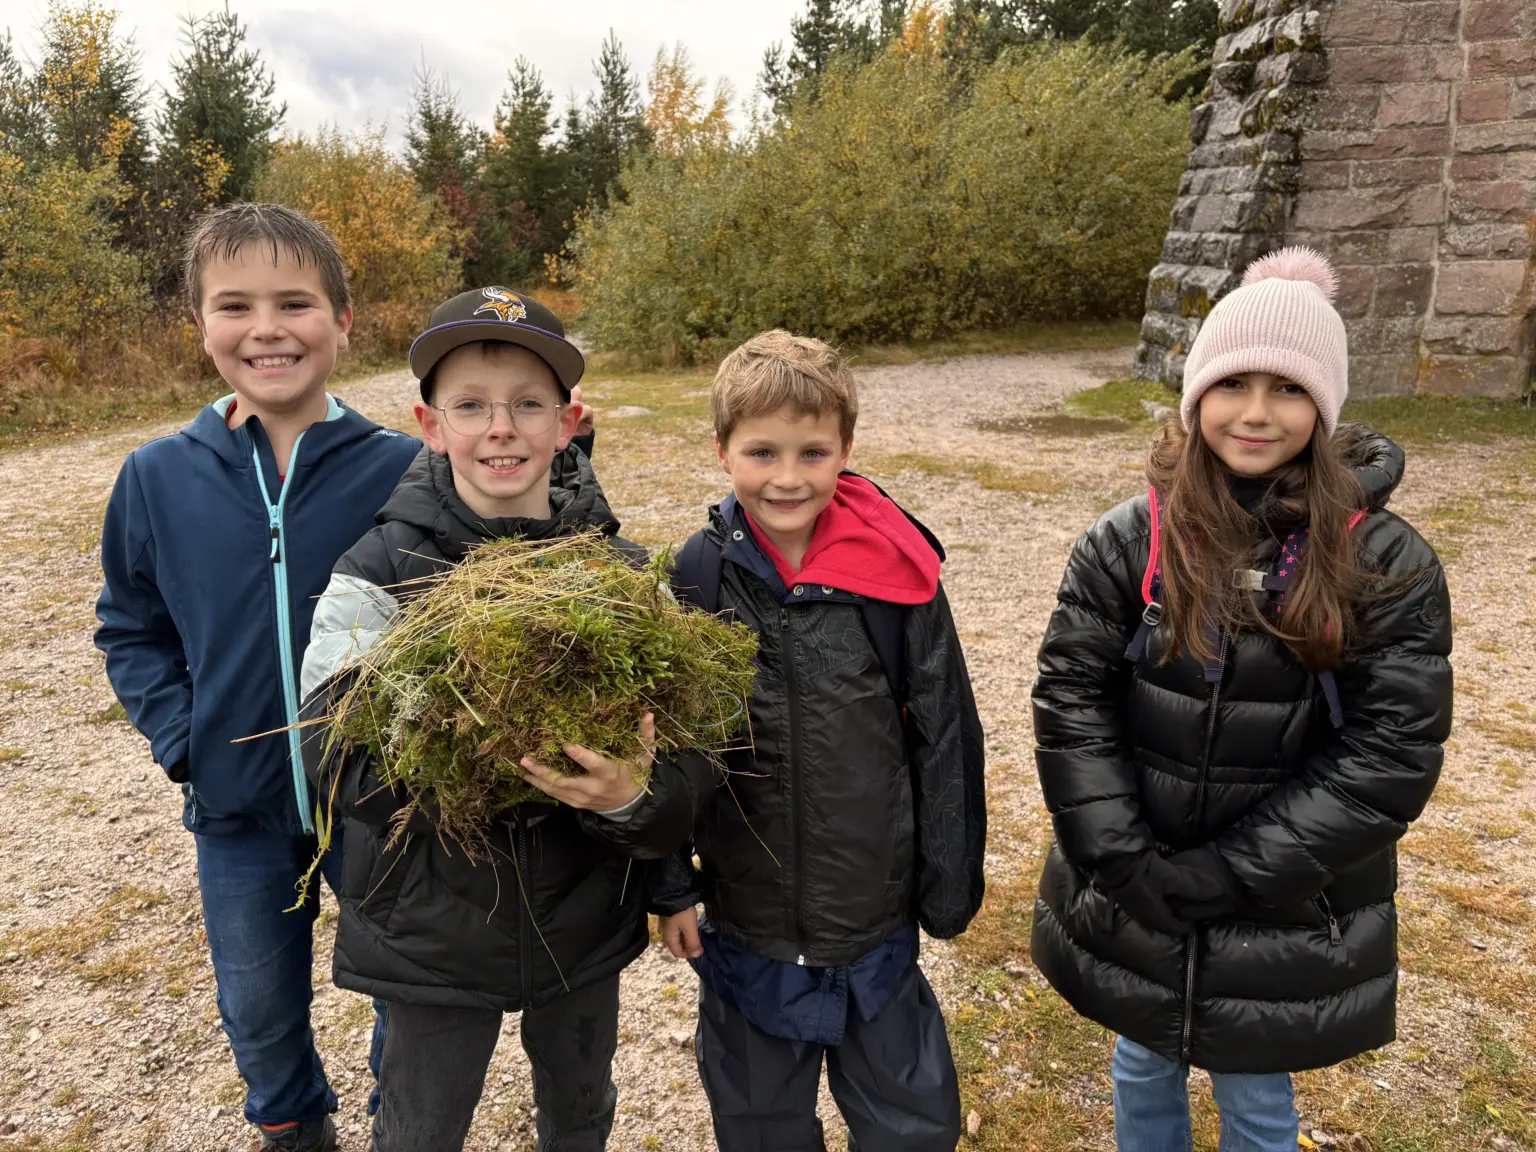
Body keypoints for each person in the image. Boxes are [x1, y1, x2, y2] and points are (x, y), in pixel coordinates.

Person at [1029, 247, 1453, 1152]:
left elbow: (1391, 754)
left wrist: (1235, 873)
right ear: (1195, 397)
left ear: (1325, 407)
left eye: (1287, 390)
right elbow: (1072, 696)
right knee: (1140, 1062)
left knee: (1256, 1094)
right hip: (1137, 877)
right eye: (1233, 385)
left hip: (1282, 899)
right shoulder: (1128, 539)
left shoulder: (1385, 562)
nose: (1256, 413)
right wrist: (1117, 855)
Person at [297, 286, 714, 1152]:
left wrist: (629, 801)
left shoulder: (620, 578)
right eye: (472, 406)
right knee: (420, 1120)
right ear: (429, 422)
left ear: (567, 423)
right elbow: (328, 753)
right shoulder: (378, 572)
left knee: (581, 1102)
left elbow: (685, 764)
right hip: (433, 937)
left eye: (529, 404)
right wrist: (472, 767)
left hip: (583, 921)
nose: (502, 428)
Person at [95, 203, 422, 1152]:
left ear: (344, 321)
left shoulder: (404, 469)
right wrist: (182, 739)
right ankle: (293, 1130)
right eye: (234, 305)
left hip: (381, 800)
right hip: (235, 806)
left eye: (296, 302)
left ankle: (400, 1124)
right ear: (200, 323)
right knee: (258, 1006)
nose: (267, 329)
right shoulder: (157, 478)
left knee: (406, 993)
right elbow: (130, 625)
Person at [652, 329, 987, 1152]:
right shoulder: (696, 578)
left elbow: (946, 736)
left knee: (911, 1126)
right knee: (760, 1127)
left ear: (846, 448)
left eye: (813, 451)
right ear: (723, 450)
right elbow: (661, 750)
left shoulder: (898, 579)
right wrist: (668, 886)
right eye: (762, 452)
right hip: (745, 925)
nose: (789, 477)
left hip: (873, 926)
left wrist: (949, 883)